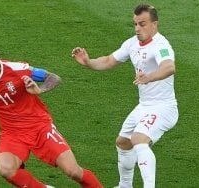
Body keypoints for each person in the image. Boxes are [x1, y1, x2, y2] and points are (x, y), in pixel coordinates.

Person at [0, 42, 103, 188]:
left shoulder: (19, 70)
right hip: (12, 133)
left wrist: (39, 90)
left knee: (73, 171)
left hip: (40, 127)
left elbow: (53, 77)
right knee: (6, 169)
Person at [71, 3, 178, 188]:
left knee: (138, 139)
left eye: (142, 24)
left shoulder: (161, 45)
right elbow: (109, 61)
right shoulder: (132, 44)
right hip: (144, 106)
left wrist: (148, 77)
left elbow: (169, 67)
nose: (137, 29)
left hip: (164, 107)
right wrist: (88, 62)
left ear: (155, 24)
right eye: (135, 24)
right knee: (123, 143)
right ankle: (125, 185)